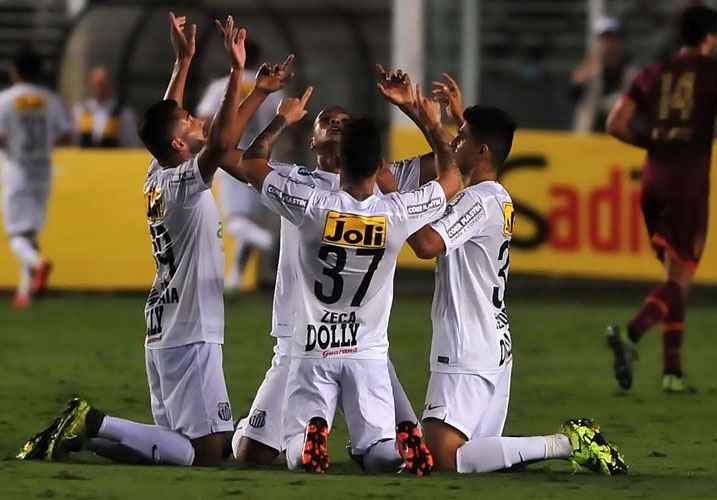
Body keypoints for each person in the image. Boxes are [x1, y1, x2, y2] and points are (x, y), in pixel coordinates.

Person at [16, 14, 291, 466]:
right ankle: (93, 423)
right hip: (189, 329)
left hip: (164, 326)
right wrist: (243, 78)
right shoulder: (183, 183)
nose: (194, 120)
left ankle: (82, 432)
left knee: (180, 443)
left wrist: (183, 61)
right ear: (180, 145)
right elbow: (221, 143)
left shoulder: (157, 173)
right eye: (188, 122)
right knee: (204, 454)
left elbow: (166, 121)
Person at [376, 69, 628, 476]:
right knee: (472, 454)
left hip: (467, 345)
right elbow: (452, 168)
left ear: (483, 152)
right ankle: (550, 447)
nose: (456, 141)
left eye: (463, 137)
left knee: (445, 459)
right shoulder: (492, 195)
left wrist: (391, 192)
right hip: (492, 342)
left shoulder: (479, 202)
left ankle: (566, 443)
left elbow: (425, 246)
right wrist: (436, 118)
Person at [232, 80, 462, 474]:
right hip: (359, 344)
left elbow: (244, 162)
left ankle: (311, 439)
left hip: (311, 341)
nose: (337, 124)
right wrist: (427, 118)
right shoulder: (393, 204)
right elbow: (453, 174)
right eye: (327, 121)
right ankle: (399, 440)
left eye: (344, 122)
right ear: (315, 142)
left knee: (289, 445)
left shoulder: (304, 199)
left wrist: (277, 118)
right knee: (374, 447)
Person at [605, 5, 717, 393]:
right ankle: (632, 333)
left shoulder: (654, 71)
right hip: (689, 180)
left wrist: (650, 142)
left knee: (672, 274)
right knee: (681, 276)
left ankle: (672, 373)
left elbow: (615, 122)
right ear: (711, 37)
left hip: (653, 178)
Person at [196, 38, 281, 293]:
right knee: (251, 222)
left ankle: (272, 243)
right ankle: (234, 279)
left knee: (236, 222)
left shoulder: (224, 85)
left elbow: (206, 120)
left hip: (234, 159)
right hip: (266, 162)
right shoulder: (273, 87)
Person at [0, 47, 72, 308]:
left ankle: (38, 265)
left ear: (15, 70)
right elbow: (66, 134)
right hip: (42, 171)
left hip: (17, 169)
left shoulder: (6, 99)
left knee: (16, 235)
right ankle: (24, 293)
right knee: (30, 233)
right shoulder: (49, 99)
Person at [570, 16, 637, 133]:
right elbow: (572, 94)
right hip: (591, 122)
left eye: (611, 38)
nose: (608, 43)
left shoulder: (629, 68)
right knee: (586, 111)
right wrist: (581, 78)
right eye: (604, 38)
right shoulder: (590, 65)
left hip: (619, 121)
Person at [72, 66, 139, 148]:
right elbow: (73, 142)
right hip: (84, 159)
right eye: (96, 83)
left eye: (102, 84)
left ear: (110, 84)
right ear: (89, 84)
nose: (99, 88)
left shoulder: (124, 113)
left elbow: (132, 145)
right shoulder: (80, 110)